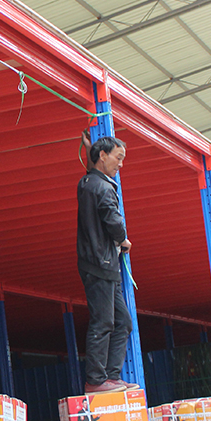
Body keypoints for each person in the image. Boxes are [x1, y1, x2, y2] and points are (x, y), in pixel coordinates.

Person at [77, 133, 140, 395]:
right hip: (100, 263)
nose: (121, 164)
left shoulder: (89, 182)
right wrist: (123, 239)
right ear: (103, 155)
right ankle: (95, 380)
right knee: (103, 321)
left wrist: (90, 150)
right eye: (119, 157)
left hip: (103, 264)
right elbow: (113, 221)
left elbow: (93, 172)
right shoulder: (102, 187)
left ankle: (111, 378)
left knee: (122, 321)